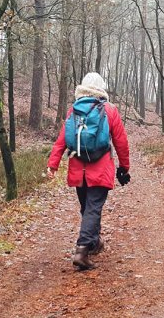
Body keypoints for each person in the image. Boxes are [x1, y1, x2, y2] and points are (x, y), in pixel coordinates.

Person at [47, 72, 130, 270]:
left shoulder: (74, 110)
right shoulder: (109, 110)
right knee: (93, 209)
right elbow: (121, 141)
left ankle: (94, 242)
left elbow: (62, 139)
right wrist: (124, 167)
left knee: (87, 208)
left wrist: (53, 164)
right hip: (100, 169)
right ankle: (82, 250)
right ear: (102, 87)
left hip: (78, 168)